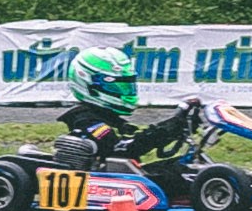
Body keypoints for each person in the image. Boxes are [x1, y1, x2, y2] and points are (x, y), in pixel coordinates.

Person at [56, 46, 185, 167]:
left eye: (127, 84)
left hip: (122, 178)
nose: (124, 90)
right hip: (105, 185)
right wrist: (165, 131)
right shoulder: (84, 120)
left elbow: (135, 139)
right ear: (88, 83)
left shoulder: (108, 118)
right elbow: (122, 149)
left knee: (186, 166)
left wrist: (174, 128)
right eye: (115, 85)